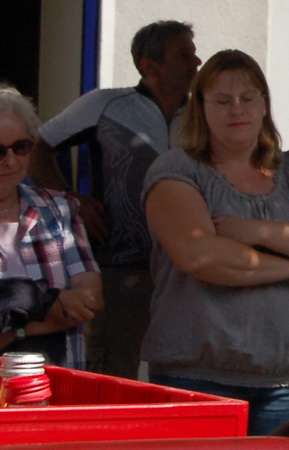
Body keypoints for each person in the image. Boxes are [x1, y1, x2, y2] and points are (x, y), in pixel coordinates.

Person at [142, 50, 289, 436]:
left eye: (247, 98)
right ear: (201, 109)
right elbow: (202, 257)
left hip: (284, 383)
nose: (236, 110)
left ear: (264, 106)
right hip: (196, 382)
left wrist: (254, 231)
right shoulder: (177, 169)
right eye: (222, 101)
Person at [30, 20, 200, 378]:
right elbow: (36, 148)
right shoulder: (105, 105)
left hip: (187, 270)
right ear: (148, 65)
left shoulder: (204, 114)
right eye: (184, 55)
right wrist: (70, 199)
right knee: (113, 372)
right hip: (121, 267)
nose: (197, 62)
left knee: (183, 374)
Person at [0, 86, 103, 368]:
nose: (10, 161)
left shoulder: (59, 210)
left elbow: (89, 300)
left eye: (20, 147)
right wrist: (50, 305)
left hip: (57, 384)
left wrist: (19, 326)